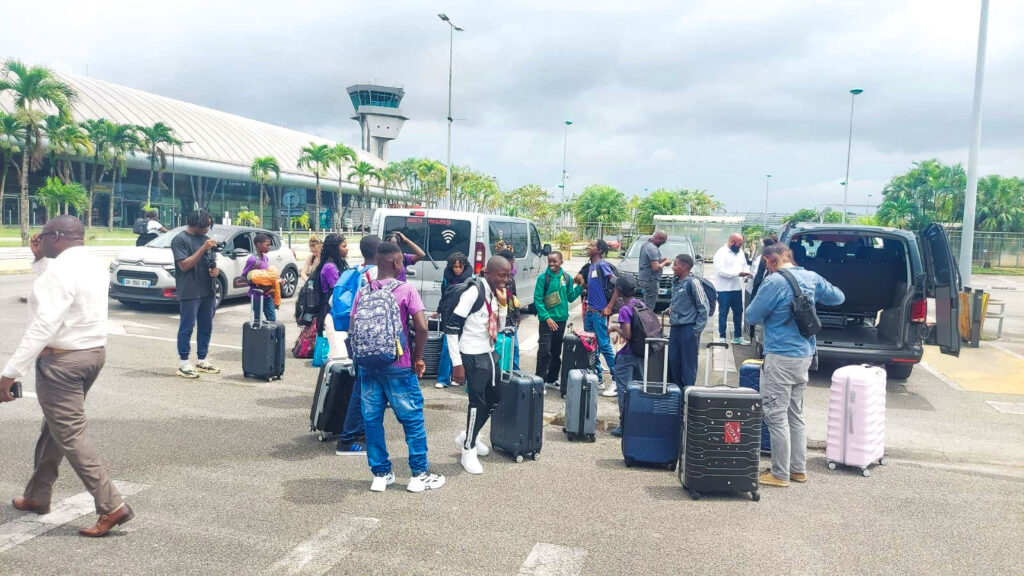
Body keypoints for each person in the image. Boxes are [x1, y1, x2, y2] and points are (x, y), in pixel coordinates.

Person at [1, 216, 134, 537]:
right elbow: (60, 290)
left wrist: (10, 373)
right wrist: (39, 259)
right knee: (56, 428)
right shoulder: (91, 262)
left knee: (70, 436)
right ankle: (37, 495)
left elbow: (43, 326)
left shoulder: (59, 271)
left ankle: (111, 505)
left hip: (62, 363)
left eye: (43, 235)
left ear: (57, 236)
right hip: (92, 355)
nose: (39, 239)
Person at [745, 243, 845, 488]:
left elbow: (751, 316)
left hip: (780, 356)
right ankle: (798, 470)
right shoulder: (811, 277)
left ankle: (779, 473)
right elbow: (838, 297)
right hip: (805, 354)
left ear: (770, 261)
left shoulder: (774, 282)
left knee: (776, 415)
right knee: (795, 414)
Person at [351, 241, 445, 493]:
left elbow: (352, 325)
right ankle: (418, 475)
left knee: (372, 421)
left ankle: (380, 475)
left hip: (368, 365)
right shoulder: (406, 290)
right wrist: (418, 357)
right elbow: (422, 327)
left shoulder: (364, 290)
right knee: (412, 419)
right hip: (399, 364)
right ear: (396, 262)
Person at [447, 256, 510, 475]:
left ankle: (468, 435)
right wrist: (457, 364)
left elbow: (499, 327)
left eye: (508, 275)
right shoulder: (474, 292)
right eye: (502, 275)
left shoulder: (495, 293)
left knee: (496, 396)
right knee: (477, 403)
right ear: (487, 272)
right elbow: (452, 327)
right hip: (471, 355)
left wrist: (503, 304)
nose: (506, 279)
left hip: (488, 352)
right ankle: (468, 449)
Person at [334, 234, 381, 456]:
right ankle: (348, 438)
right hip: (371, 340)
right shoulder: (375, 275)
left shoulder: (355, 271)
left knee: (363, 386)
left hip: (356, 337)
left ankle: (360, 432)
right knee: (362, 388)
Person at [172, 210, 222, 379]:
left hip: (208, 289)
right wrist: (203, 248)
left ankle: (202, 359)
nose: (208, 228)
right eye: (206, 225)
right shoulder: (180, 240)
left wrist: (215, 271)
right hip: (189, 290)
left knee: (206, 326)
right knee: (187, 327)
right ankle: (183, 362)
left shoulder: (206, 240)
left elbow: (210, 263)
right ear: (196, 224)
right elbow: (184, 265)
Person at [534, 250, 583, 390]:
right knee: (544, 351)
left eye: (554, 261)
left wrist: (580, 287)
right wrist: (547, 318)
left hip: (561, 321)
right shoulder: (543, 279)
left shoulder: (566, 278)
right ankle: (540, 381)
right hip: (547, 321)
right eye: (549, 261)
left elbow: (570, 297)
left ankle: (552, 379)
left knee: (556, 352)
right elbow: (538, 300)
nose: (551, 264)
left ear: (561, 262)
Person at [574, 239, 618, 387]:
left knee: (604, 346)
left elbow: (616, 283)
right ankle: (598, 377)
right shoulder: (592, 266)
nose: (589, 247)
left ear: (599, 250)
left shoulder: (602, 265)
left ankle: (616, 380)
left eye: (592, 246)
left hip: (600, 313)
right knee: (591, 345)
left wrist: (609, 307)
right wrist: (582, 283)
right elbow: (593, 287)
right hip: (590, 312)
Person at [607, 276, 643, 437]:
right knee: (639, 389)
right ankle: (637, 423)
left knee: (624, 390)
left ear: (619, 291)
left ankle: (624, 425)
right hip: (641, 353)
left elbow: (627, 333)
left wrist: (615, 328)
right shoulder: (640, 304)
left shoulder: (624, 309)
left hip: (627, 355)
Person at [668, 254, 709, 391]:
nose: (673, 268)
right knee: (673, 362)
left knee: (688, 365)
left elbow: (704, 307)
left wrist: (696, 330)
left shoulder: (693, 282)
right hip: (675, 329)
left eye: (675, 264)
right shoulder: (677, 282)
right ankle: (677, 396)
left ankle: (689, 394)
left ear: (684, 266)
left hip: (688, 329)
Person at [435, 251, 472, 388]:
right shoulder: (447, 277)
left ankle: (460, 378)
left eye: (460, 267)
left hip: (464, 318)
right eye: (455, 267)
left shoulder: (470, 280)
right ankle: (443, 379)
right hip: (449, 316)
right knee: (447, 348)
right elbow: (443, 295)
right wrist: (438, 310)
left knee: (463, 348)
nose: (457, 269)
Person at [712, 233, 751, 345]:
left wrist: (746, 273)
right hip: (724, 289)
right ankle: (722, 336)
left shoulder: (740, 253)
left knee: (738, 312)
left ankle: (737, 336)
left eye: (741, 244)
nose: (740, 246)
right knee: (723, 313)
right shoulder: (721, 253)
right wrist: (738, 273)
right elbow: (721, 271)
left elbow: (744, 265)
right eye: (738, 244)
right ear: (732, 241)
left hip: (737, 288)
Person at [242, 233, 280, 322]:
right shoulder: (253, 259)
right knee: (257, 321)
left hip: (267, 295)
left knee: (272, 320)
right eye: (267, 245)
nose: (269, 247)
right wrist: (255, 281)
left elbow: (267, 275)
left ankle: (271, 336)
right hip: (257, 296)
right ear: (258, 245)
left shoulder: (265, 257)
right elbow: (244, 276)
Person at [496, 249, 522, 370]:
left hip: (511, 319)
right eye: (512, 262)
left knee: (514, 349)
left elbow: (514, 297)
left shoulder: (511, 277)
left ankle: (515, 373)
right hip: (498, 320)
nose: (513, 265)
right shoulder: (493, 278)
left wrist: (517, 316)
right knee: (499, 349)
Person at [638, 230, 672, 309]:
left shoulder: (646, 244)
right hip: (650, 280)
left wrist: (660, 259)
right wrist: (665, 262)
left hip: (643, 278)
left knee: (646, 303)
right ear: (659, 239)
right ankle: (647, 320)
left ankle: (643, 318)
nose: (662, 244)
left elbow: (650, 259)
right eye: (663, 242)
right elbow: (655, 267)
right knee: (649, 306)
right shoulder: (652, 248)